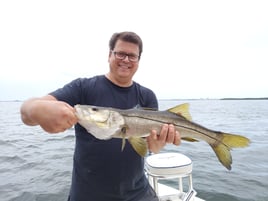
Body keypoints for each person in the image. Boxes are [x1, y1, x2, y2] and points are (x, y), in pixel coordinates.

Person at [20, 31, 181, 201]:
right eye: (120, 53)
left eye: (132, 56)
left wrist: (157, 144)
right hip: (87, 196)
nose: (126, 60)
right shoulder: (83, 87)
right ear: (109, 55)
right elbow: (26, 112)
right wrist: (37, 110)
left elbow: (150, 148)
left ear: (138, 61)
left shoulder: (147, 96)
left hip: (138, 194)